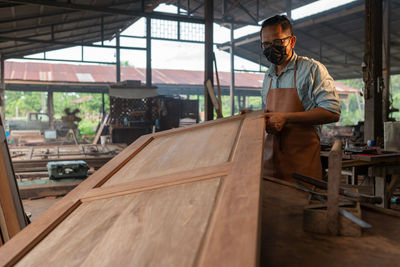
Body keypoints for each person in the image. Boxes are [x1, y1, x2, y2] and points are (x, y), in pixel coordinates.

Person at [260, 15, 341, 181]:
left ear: (292, 41)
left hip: (302, 168)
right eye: (266, 44)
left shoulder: (311, 70)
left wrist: (286, 118)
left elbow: (332, 111)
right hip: (270, 168)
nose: (271, 48)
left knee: (300, 205)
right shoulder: (268, 76)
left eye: (277, 42)